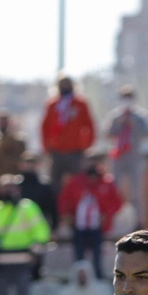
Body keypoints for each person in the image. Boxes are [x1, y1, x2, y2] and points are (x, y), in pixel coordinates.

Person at [0, 176, 51, 295]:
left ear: (18, 189)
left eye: (12, 186)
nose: (8, 190)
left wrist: (35, 251)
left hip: (24, 259)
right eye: (5, 187)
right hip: (2, 260)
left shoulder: (28, 207)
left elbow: (42, 231)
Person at [58, 154, 123, 277]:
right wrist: (67, 215)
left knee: (97, 256)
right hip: (79, 226)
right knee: (79, 256)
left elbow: (117, 202)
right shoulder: (76, 181)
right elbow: (64, 199)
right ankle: (78, 277)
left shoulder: (107, 182)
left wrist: (106, 214)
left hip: (97, 227)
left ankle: (98, 277)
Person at [41, 75, 96, 206]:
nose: (65, 87)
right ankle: (56, 215)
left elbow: (90, 125)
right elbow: (44, 127)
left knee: (78, 185)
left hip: (75, 152)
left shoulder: (80, 104)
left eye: (67, 84)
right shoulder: (52, 104)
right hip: (56, 152)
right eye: (62, 84)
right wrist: (46, 147)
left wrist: (86, 145)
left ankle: (77, 215)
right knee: (54, 186)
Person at [105, 86, 148, 211]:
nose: (127, 100)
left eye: (129, 98)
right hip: (118, 157)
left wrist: (134, 125)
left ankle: (138, 221)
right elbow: (107, 134)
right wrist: (120, 125)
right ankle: (113, 220)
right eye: (125, 98)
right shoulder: (115, 116)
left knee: (136, 192)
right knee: (115, 189)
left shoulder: (140, 116)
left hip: (134, 157)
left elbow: (147, 134)